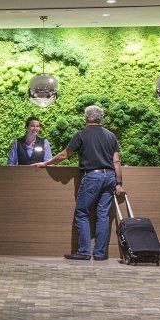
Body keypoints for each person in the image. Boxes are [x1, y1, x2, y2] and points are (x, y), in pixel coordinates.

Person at [38, 104, 123, 261]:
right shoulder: (111, 136)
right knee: (103, 215)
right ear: (100, 119)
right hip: (110, 177)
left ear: (87, 118)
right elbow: (116, 161)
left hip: (92, 177)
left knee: (82, 213)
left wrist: (46, 163)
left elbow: (64, 155)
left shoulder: (81, 134)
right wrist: (118, 183)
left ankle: (84, 252)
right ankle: (99, 254)